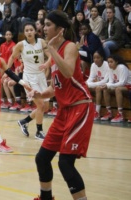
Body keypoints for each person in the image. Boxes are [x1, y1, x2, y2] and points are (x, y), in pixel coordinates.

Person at [30, 10, 94, 200]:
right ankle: (46, 197)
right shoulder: (55, 53)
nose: (44, 28)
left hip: (80, 107)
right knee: (42, 158)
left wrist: (50, 50)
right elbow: (54, 88)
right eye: (45, 24)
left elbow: (67, 72)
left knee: (65, 163)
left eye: (48, 24)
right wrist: (40, 93)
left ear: (60, 29)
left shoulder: (70, 47)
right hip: (64, 112)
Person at [7, 22, 51, 139]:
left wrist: (47, 63)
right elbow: (12, 58)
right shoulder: (21, 45)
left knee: (45, 107)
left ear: (35, 31)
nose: (29, 32)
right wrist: (6, 72)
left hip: (41, 76)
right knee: (40, 105)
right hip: (29, 78)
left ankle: (24, 121)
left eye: (31, 30)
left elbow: (51, 55)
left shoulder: (41, 42)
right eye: (26, 30)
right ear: (24, 33)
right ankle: (39, 131)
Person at [100, 54, 131, 123]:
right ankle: (109, 112)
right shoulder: (110, 69)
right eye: (108, 62)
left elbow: (122, 83)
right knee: (106, 89)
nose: (109, 64)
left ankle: (120, 114)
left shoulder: (122, 67)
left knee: (118, 89)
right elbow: (111, 82)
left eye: (111, 62)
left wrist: (108, 85)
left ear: (116, 62)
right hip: (121, 86)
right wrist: (105, 85)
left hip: (128, 85)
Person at [86, 49, 110, 120]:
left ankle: (97, 112)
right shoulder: (93, 65)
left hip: (106, 85)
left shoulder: (107, 65)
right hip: (97, 84)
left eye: (98, 57)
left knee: (98, 88)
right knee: (85, 88)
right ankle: (87, 109)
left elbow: (105, 80)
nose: (95, 59)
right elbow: (90, 78)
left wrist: (91, 84)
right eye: (94, 58)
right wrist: (86, 84)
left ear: (102, 57)